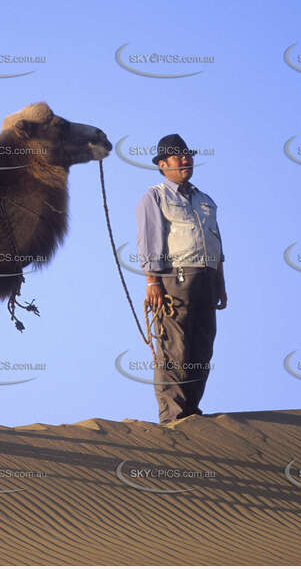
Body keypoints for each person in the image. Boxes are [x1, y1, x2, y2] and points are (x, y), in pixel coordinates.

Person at [135, 134, 227, 424]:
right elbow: (150, 241)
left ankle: (191, 412)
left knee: (203, 347)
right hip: (175, 278)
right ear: (163, 164)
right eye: (177, 156)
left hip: (207, 279)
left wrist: (221, 283)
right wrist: (153, 282)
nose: (185, 159)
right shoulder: (156, 196)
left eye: (187, 155)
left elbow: (217, 243)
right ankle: (174, 418)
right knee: (175, 347)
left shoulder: (205, 200)